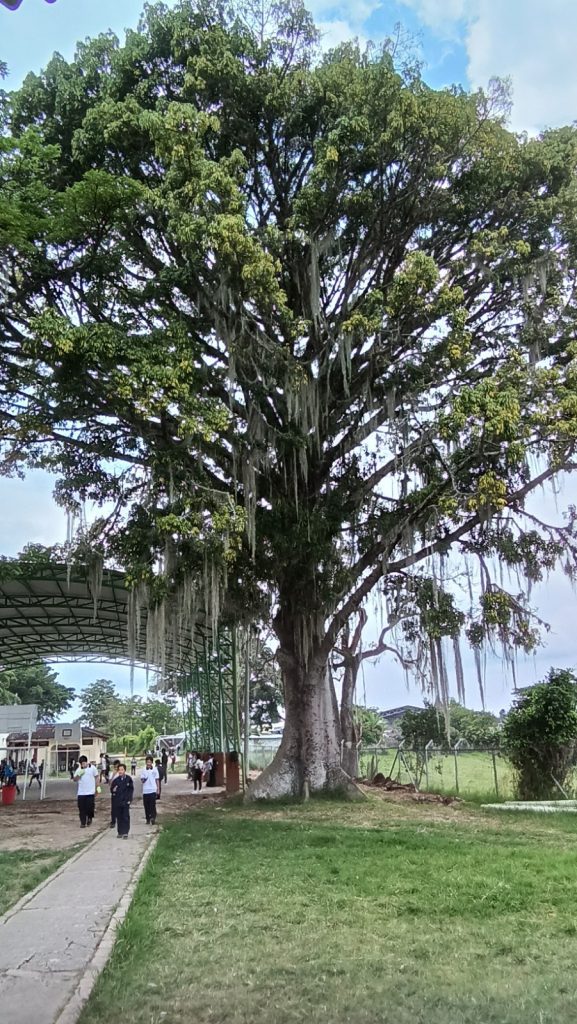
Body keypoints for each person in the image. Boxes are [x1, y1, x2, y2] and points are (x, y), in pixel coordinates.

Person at [73, 755, 100, 828]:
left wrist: (98, 788)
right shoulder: (79, 769)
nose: (83, 765)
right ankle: (83, 822)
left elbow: (97, 777)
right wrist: (79, 775)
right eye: (81, 764)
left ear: (86, 762)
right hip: (81, 793)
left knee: (90, 807)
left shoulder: (92, 768)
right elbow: (74, 779)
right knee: (81, 808)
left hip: (90, 792)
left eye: (84, 763)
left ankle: (90, 817)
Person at [110, 763, 134, 839]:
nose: (120, 771)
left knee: (125, 817)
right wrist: (113, 790)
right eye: (119, 770)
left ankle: (125, 832)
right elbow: (112, 790)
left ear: (124, 770)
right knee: (119, 817)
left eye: (122, 770)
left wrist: (129, 799)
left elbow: (131, 790)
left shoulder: (128, 779)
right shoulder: (116, 780)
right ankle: (120, 832)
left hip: (126, 801)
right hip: (118, 801)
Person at [140, 755, 160, 825]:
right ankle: (147, 818)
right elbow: (142, 780)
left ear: (152, 762)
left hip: (153, 789)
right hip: (146, 790)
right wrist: (144, 779)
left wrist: (158, 789)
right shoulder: (143, 770)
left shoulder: (155, 769)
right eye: (147, 762)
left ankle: (153, 817)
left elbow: (157, 779)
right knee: (146, 805)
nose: (148, 763)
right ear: (146, 762)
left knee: (152, 805)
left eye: (150, 762)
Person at [108, 760, 121, 829]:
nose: (116, 769)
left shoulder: (122, 773)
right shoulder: (111, 773)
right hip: (114, 792)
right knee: (114, 808)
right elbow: (110, 783)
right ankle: (113, 821)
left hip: (121, 792)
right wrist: (113, 775)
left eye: (117, 767)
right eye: (115, 767)